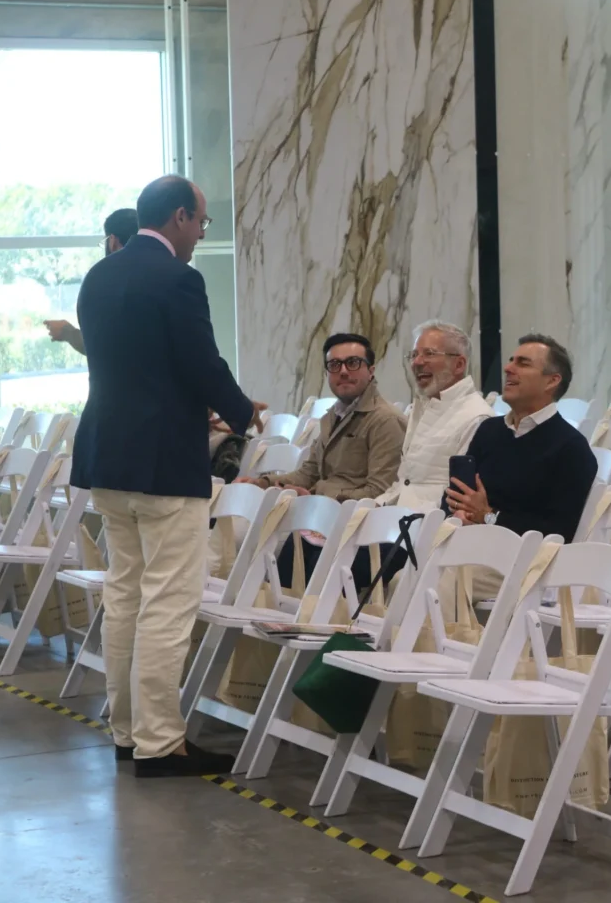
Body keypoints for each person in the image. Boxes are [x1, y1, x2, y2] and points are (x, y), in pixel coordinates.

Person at [71, 175, 265, 778]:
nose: (201, 234)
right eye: (201, 222)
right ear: (179, 216)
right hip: (162, 463)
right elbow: (200, 361)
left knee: (124, 594)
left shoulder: (99, 275)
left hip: (108, 455)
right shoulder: (178, 278)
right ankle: (160, 743)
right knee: (168, 601)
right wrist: (242, 412)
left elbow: (136, 367)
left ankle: (127, 731)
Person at [239, 333, 406, 586]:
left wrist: (317, 497)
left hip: (363, 533)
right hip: (324, 522)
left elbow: (380, 491)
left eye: (353, 363)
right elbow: (308, 473)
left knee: (305, 587)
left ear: (371, 370)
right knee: (275, 580)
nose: (343, 371)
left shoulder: (385, 420)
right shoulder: (332, 416)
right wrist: (263, 483)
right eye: (334, 365)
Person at [445, 333, 598, 598]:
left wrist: (489, 516)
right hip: (471, 548)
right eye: (510, 361)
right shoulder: (490, 430)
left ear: (552, 381)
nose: (508, 368)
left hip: (525, 565)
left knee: (443, 580)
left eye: (523, 363)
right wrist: (458, 511)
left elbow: (559, 533)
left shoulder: (571, 447)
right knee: (404, 573)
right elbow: (459, 492)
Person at [376, 321, 493, 511]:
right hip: (398, 515)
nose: (417, 362)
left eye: (429, 354)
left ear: (459, 365)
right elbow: (405, 482)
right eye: (414, 355)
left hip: (432, 523)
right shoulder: (420, 407)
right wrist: (375, 507)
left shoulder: (477, 418)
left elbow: (459, 497)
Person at [43, 208, 139, 355]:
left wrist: (67, 332)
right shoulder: (164, 275)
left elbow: (100, 346)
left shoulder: (103, 283)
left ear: (113, 242)